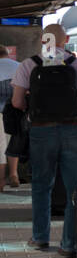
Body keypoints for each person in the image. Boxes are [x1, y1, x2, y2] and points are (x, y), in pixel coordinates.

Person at [10, 24, 77, 254]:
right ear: (66, 39)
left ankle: (40, 238)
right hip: (74, 130)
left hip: (41, 132)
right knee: (75, 189)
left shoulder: (29, 64)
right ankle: (69, 244)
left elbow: (17, 102)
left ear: (43, 40)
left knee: (41, 186)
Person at [0, 47, 20, 190]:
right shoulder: (19, 66)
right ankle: (14, 174)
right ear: (7, 54)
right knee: (13, 142)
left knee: (0, 146)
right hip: (15, 110)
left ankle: (1, 180)